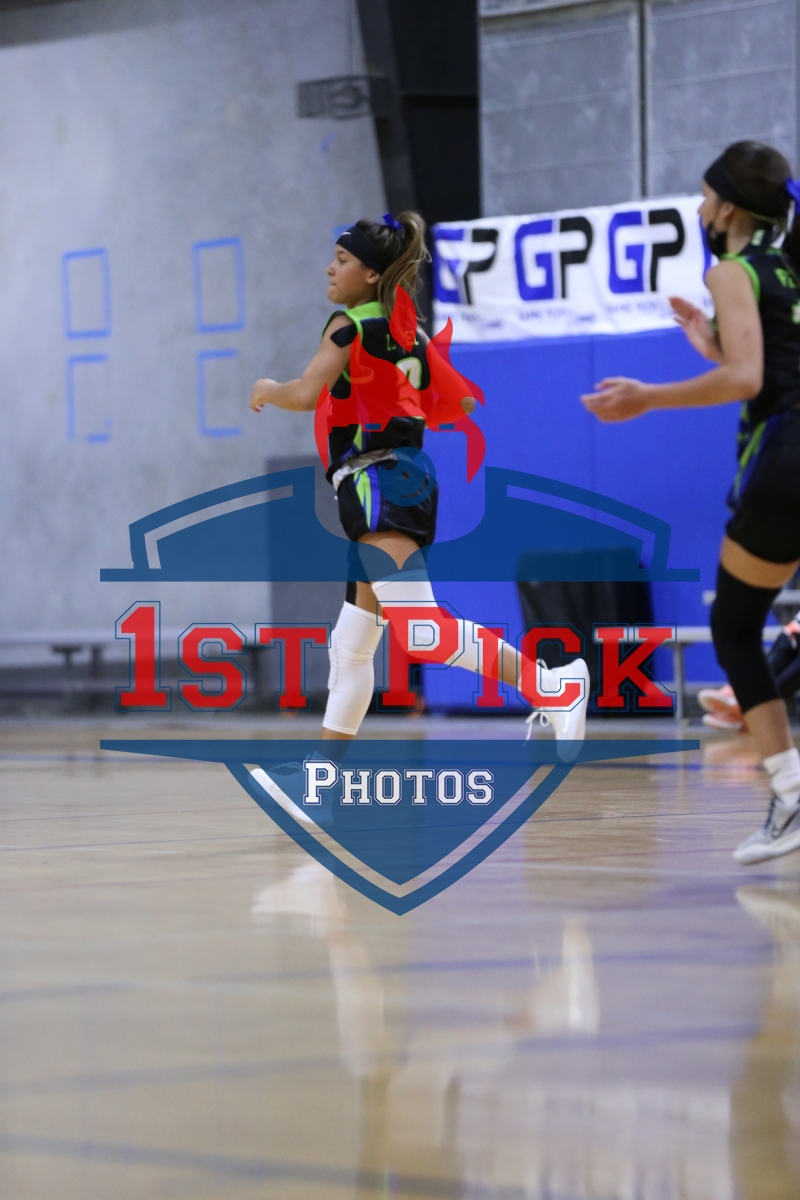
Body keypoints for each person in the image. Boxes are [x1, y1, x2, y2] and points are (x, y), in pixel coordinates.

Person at [251, 211, 590, 746]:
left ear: (371, 274)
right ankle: (322, 780)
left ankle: (552, 686)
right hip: (403, 477)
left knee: (421, 631)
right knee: (352, 645)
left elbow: (305, 394)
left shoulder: (349, 326)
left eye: (341, 259)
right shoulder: (412, 334)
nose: (329, 269)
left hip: (376, 480)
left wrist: (268, 388)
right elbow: (460, 401)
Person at [582, 141, 800, 865]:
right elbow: (770, 362)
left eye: (706, 198)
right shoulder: (788, 268)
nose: (701, 210)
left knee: (734, 628)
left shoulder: (730, 269)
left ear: (729, 208)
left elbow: (748, 380)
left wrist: (648, 396)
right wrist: (709, 341)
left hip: (787, 459)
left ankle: (790, 794)